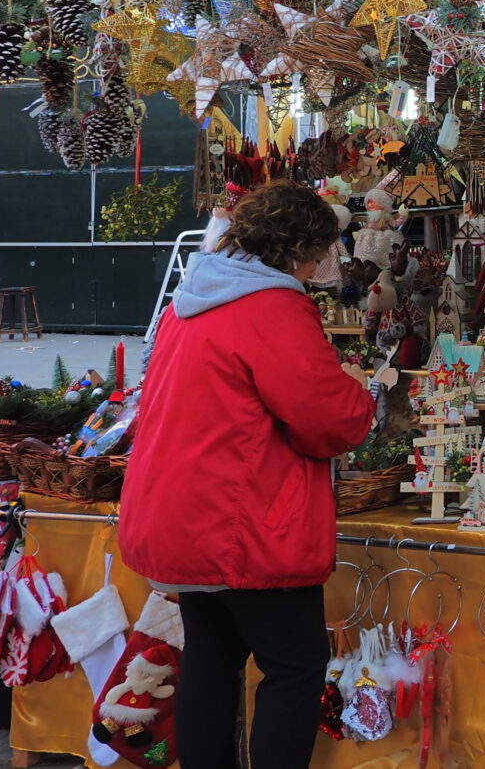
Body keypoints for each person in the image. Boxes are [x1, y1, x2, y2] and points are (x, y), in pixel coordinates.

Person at [120, 181, 392, 769]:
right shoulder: (271, 308)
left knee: (212, 661)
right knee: (294, 666)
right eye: (319, 254)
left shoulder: (191, 301)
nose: (320, 267)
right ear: (298, 249)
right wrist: (361, 395)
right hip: (246, 526)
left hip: (184, 516)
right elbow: (326, 417)